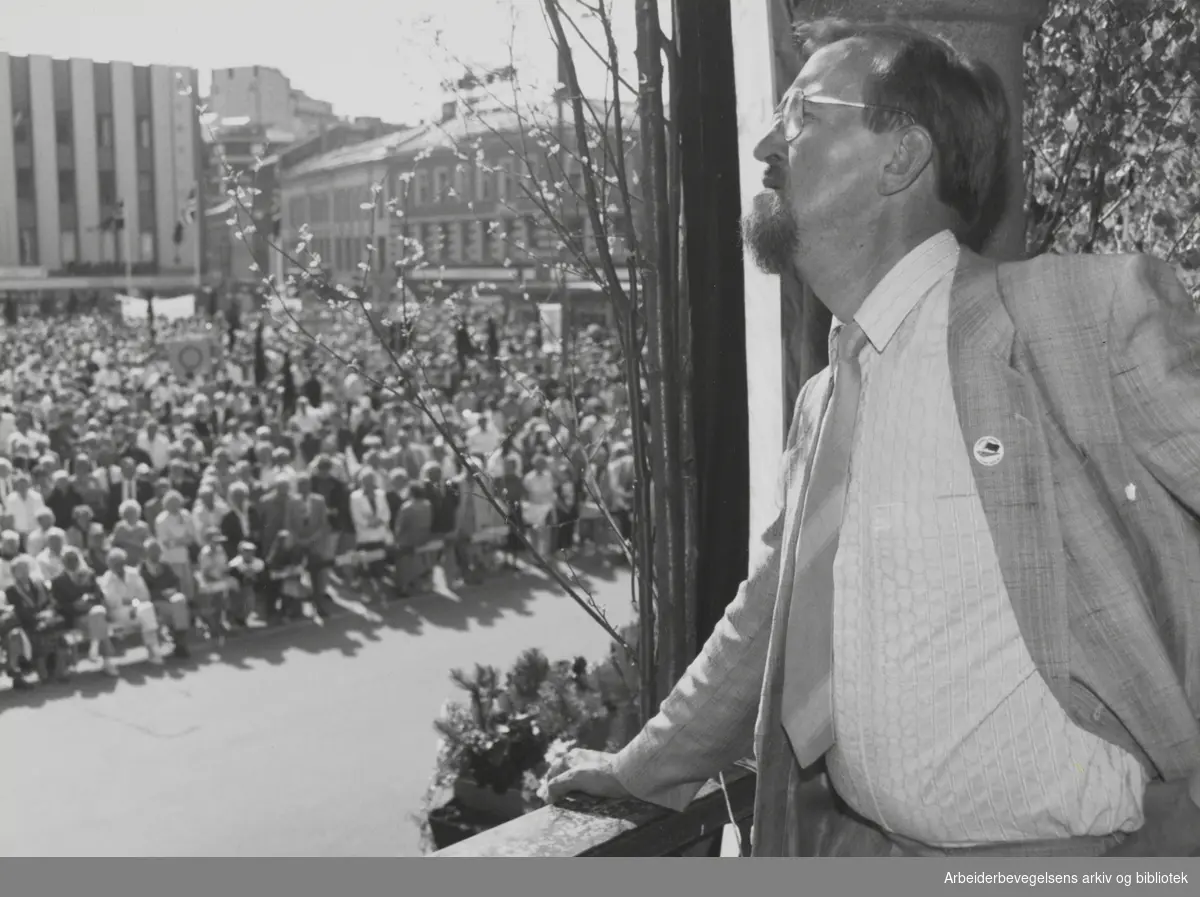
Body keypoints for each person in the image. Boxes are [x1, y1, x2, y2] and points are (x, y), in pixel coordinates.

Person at [544, 18, 1200, 858]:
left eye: (803, 115)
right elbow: (765, 624)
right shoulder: (825, 401)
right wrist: (643, 766)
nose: (763, 146)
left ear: (902, 156)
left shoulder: (1081, 317)